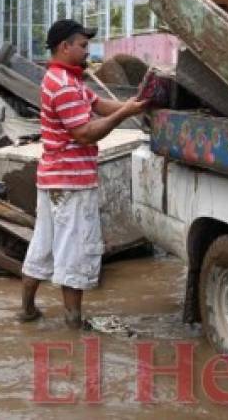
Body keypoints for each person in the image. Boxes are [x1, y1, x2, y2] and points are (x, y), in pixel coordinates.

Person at [18, 19, 149, 328]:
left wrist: (132, 105)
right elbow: (86, 133)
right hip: (70, 181)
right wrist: (125, 114)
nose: (87, 49)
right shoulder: (63, 85)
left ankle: (27, 311)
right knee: (75, 252)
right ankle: (74, 324)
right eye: (83, 44)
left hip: (54, 178)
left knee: (44, 246)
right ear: (65, 47)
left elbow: (99, 104)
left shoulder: (67, 79)